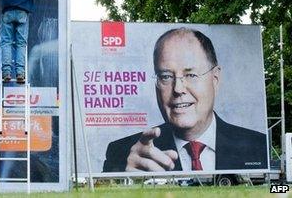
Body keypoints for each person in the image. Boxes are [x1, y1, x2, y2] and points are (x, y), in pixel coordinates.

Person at [103, 28, 268, 172]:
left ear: (215, 79)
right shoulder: (123, 154)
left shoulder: (259, 146)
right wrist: (126, 185)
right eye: (166, 76)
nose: (178, 89)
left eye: (191, 75)